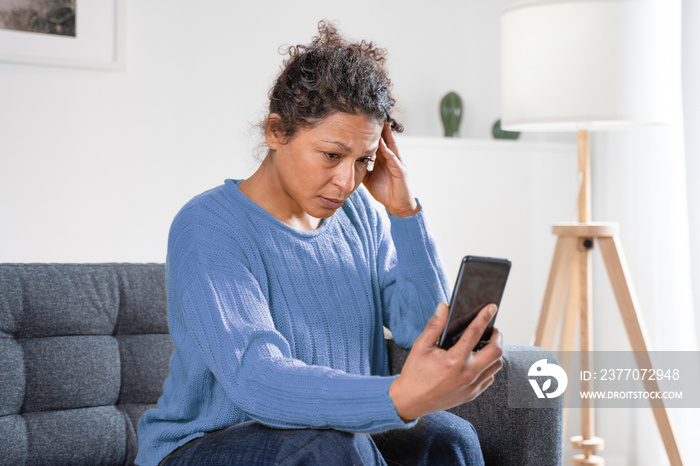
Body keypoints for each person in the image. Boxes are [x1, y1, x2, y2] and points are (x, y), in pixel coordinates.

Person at [135, 21, 504, 466]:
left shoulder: (359, 215)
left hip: (333, 433)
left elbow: (419, 327)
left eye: (364, 160)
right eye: (332, 155)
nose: (347, 181)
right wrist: (397, 394)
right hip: (206, 446)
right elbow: (258, 380)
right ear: (276, 131)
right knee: (332, 447)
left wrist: (404, 214)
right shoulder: (208, 226)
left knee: (450, 437)